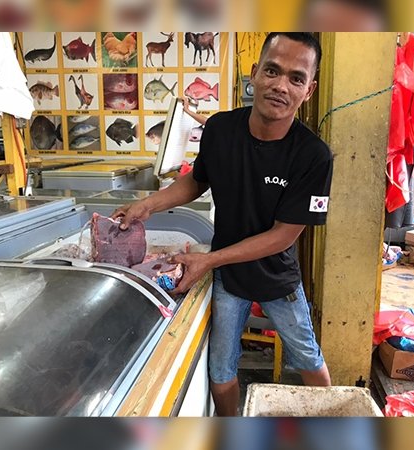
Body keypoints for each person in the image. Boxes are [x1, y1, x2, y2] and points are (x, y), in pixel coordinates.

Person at [112, 33, 333, 416]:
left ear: (309, 90)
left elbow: (283, 236)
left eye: (296, 78)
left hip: (277, 278)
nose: (281, 85)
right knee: (220, 372)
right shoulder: (220, 130)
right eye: (272, 71)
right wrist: (148, 205)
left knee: (309, 361)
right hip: (230, 279)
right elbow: (197, 180)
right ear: (255, 73)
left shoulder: (314, 156)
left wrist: (210, 260)